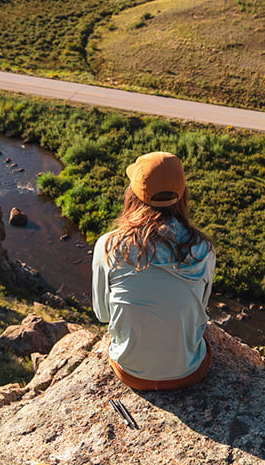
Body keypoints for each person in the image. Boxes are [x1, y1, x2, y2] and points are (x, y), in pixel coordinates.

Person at [91, 151, 215, 391]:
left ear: (134, 195)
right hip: (189, 372)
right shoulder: (203, 248)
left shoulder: (108, 246)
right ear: (182, 195)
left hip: (129, 371)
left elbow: (103, 315)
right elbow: (200, 309)